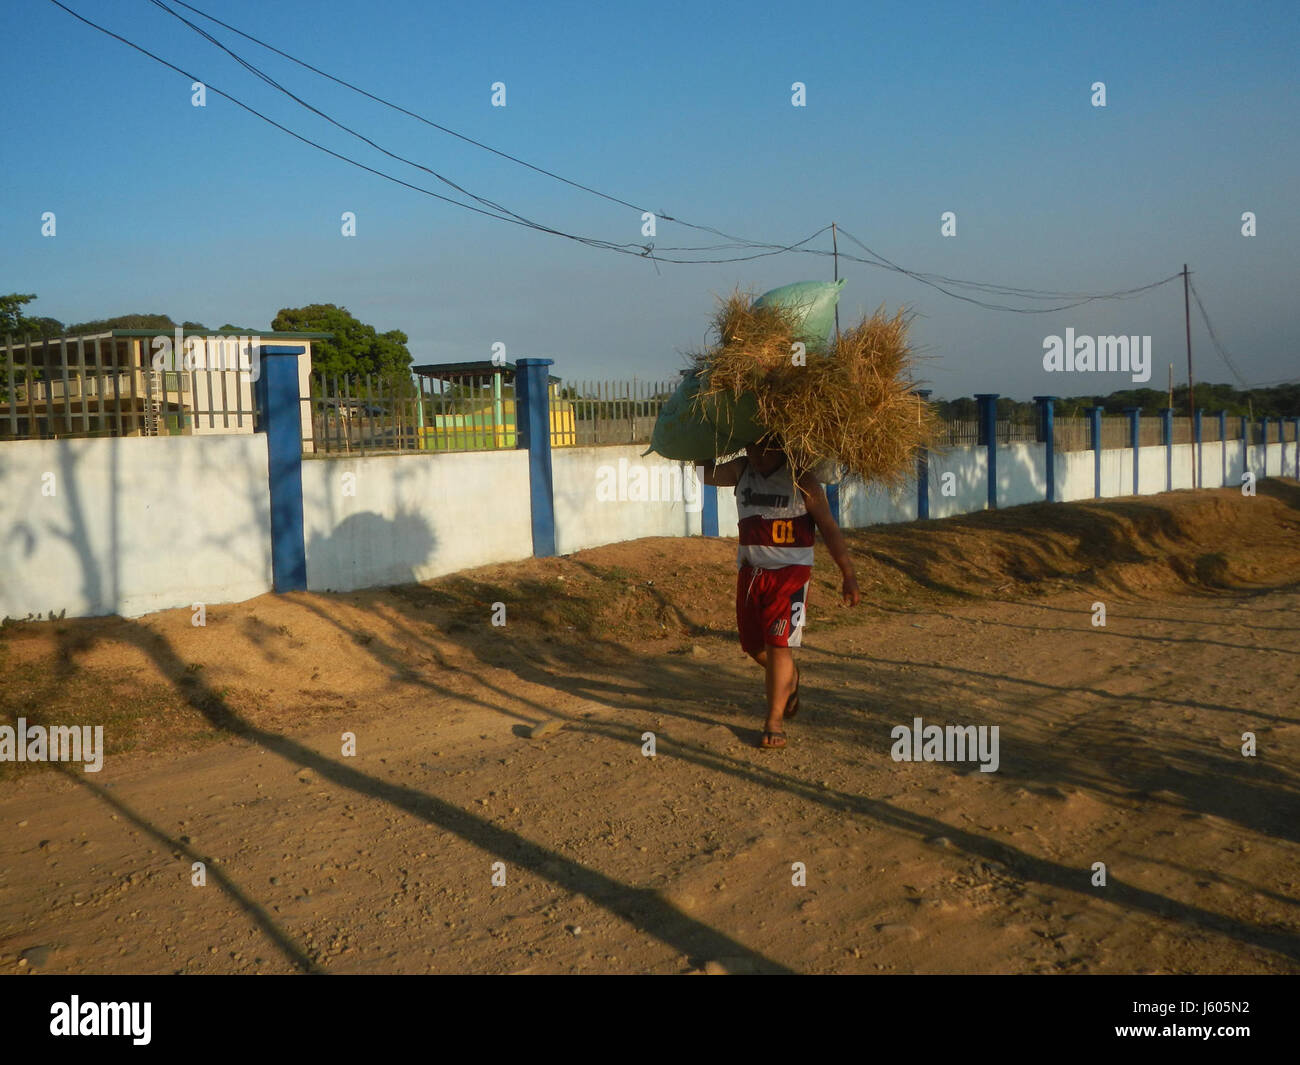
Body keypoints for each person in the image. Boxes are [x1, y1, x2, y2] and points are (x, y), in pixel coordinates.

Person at [698, 437, 860, 749]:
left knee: (778, 645)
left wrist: (848, 574)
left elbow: (829, 528)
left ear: (783, 447)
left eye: (765, 449)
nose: (757, 456)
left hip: (791, 576)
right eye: (752, 448)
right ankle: (790, 678)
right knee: (753, 646)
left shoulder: (803, 480)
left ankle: (773, 720)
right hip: (750, 574)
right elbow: (706, 475)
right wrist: (701, 437)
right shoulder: (741, 470)